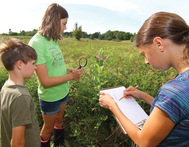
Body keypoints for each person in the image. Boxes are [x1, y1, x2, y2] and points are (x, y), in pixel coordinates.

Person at [99, 12, 189, 147]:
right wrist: (141, 95)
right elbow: (175, 111)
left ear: (159, 43)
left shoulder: (175, 90)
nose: (146, 61)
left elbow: (143, 141)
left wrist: (113, 106)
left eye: (144, 54)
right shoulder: (182, 85)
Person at [28, 3, 83, 147]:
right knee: (47, 129)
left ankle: (58, 144)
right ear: (54, 20)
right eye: (64, 23)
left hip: (63, 91)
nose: (65, 27)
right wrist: (71, 76)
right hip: (50, 96)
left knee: (59, 121)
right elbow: (45, 81)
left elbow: (56, 66)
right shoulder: (36, 43)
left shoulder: (52, 39)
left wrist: (70, 70)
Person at [0, 38, 40, 147]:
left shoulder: (7, 87)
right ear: (20, 64)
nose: (35, 67)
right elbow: (18, 143)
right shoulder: (21, 97)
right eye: (33, 63)